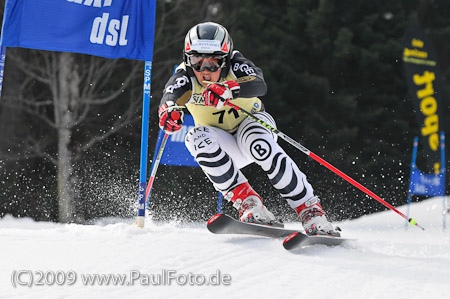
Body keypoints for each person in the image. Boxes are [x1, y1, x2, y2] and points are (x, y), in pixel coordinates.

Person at [158, 22, 340, 236]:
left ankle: (310, 211)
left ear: (224, 59)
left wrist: (230, 88)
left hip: (252, 123)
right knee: (195, 137)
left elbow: (258, 83)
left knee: (258, 144)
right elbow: (170, 95)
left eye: (213, 63)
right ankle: (249, 203)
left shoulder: (235, 63)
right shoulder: (185, 75)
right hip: (224, 143)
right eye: (197, 62)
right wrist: (169, 111)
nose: (205, 71)